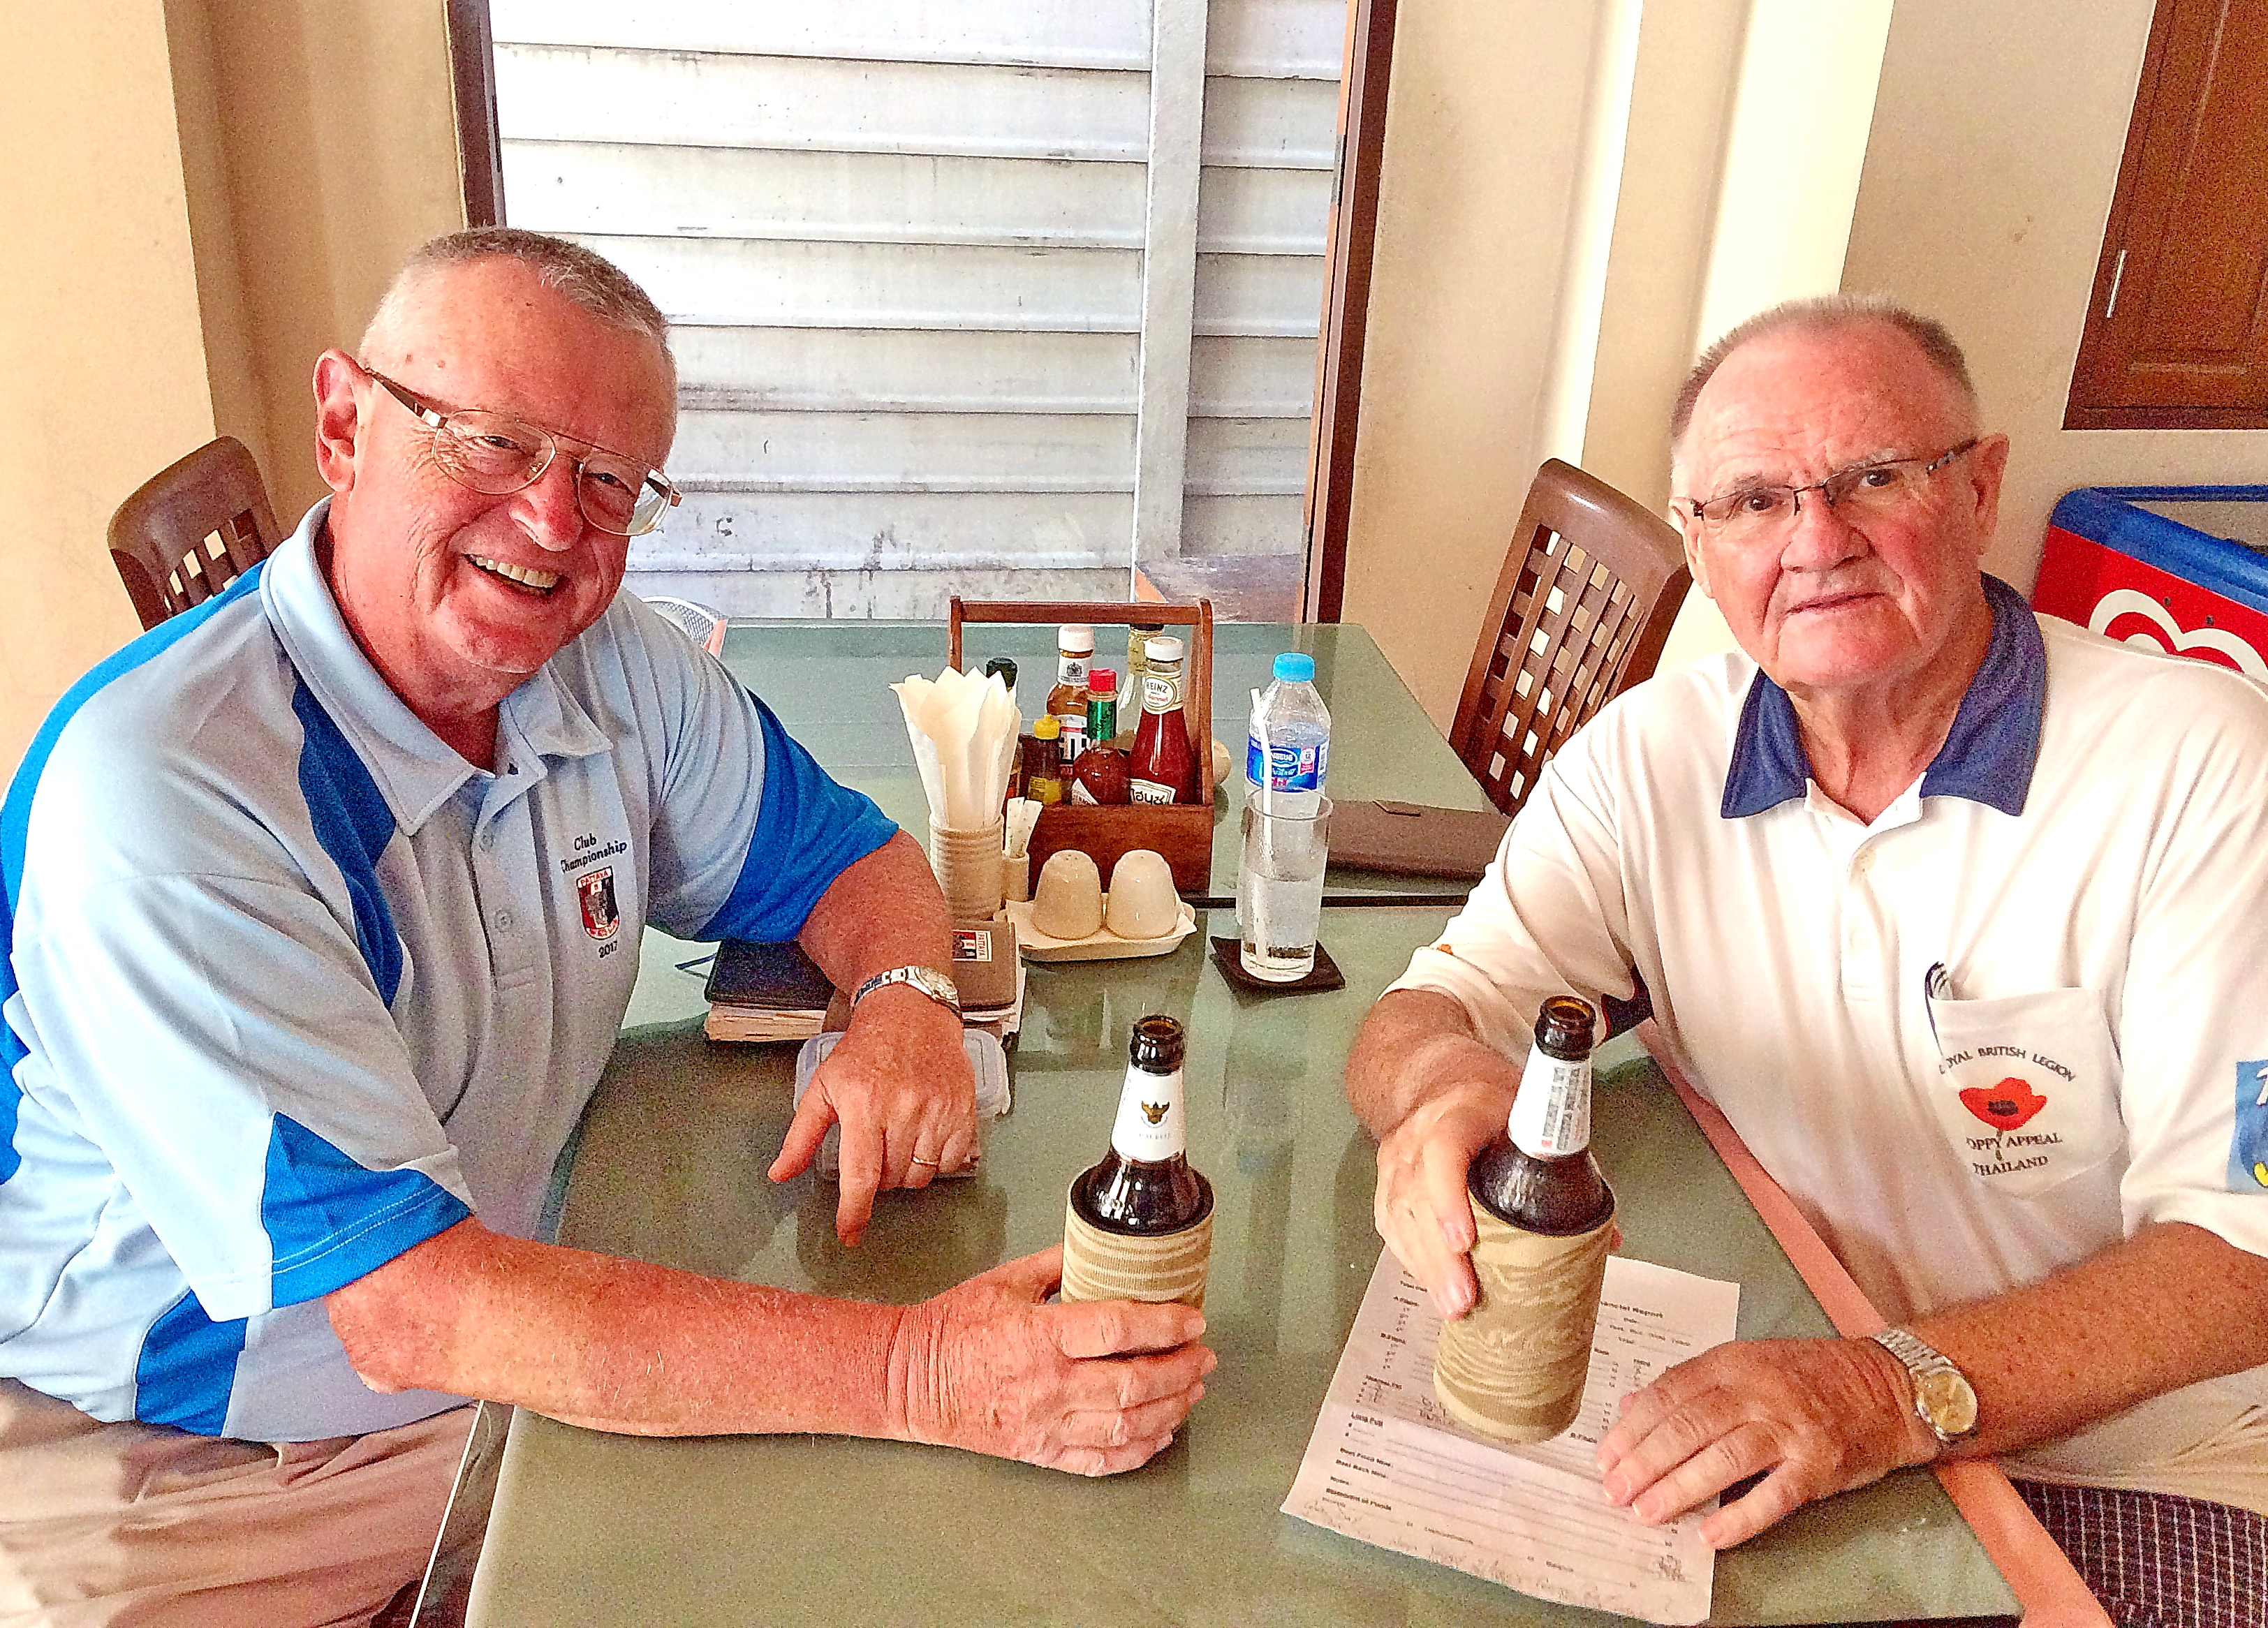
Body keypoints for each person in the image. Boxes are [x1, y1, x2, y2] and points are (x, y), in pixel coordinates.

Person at [0, 228, 1212, 1625]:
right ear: (345, 423)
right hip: (185, 1460)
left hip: (496, 1330)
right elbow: (410, 1312)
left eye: (607, 482)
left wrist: (901, 1000)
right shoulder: (172, 800)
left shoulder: (607, 657)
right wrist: (914, 1372)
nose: (553, 524)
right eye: (492, 442)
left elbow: (851, 858)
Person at [1346, 296, 2268, 1623]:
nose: (1817, 543)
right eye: (1755, 503)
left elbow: (2243, 1255)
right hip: (1793, 1383)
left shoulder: (2204, 767)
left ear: (1983, 486)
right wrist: (1437, 1087)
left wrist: (1882, 1392)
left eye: (1874, 480)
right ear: (1700, 545)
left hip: (2129, 1461)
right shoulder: (1647, 758)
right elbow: (1440, 998)